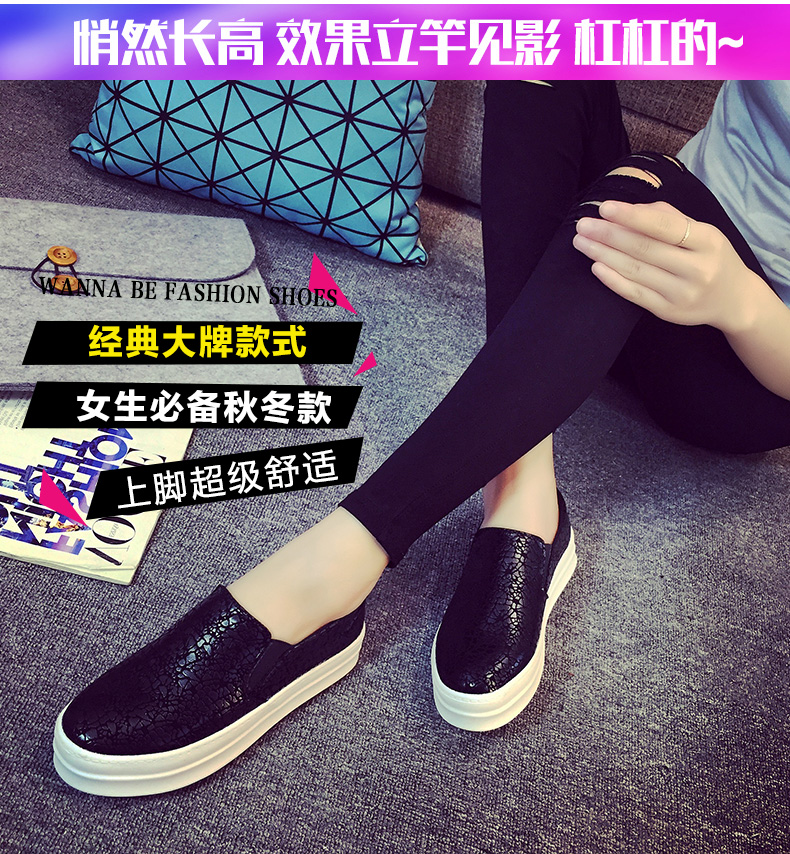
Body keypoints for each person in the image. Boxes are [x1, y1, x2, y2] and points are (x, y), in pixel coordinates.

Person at [52, 81, 790, 797]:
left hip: (740, 361)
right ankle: (523, 486)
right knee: (538, 55)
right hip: (628, 268)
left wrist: (744, 303)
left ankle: (333, 566)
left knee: (649, 198)